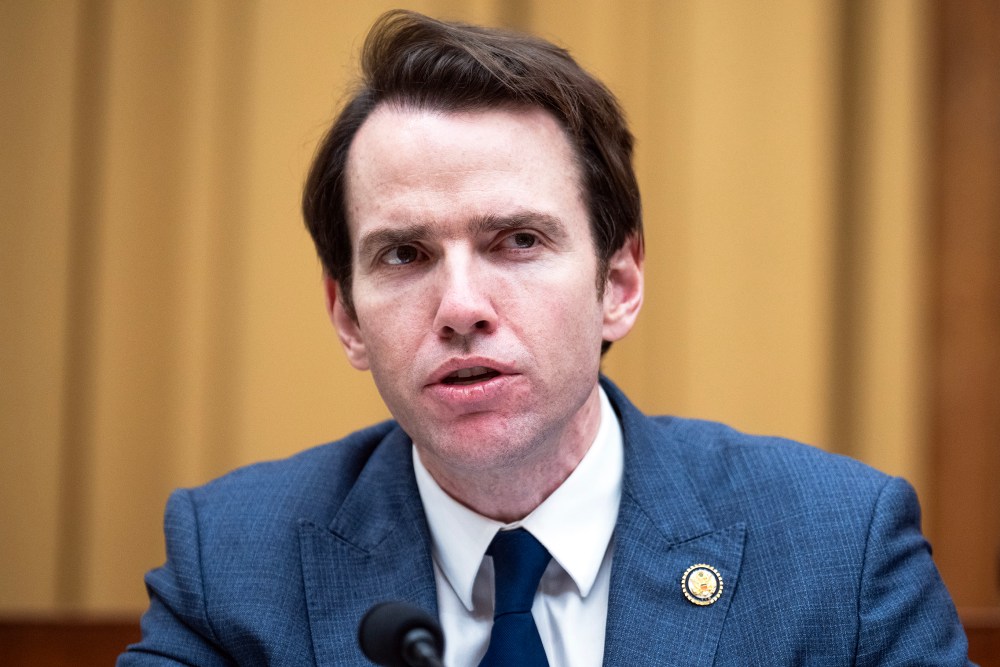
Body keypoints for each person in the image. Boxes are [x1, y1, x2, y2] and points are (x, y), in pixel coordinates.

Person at [119, 10, 971, 666]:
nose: (461, 305)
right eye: (406, 254)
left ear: (619, 284)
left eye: (517, 241)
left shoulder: (839, 548)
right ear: (347, 317)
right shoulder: (229, 558)